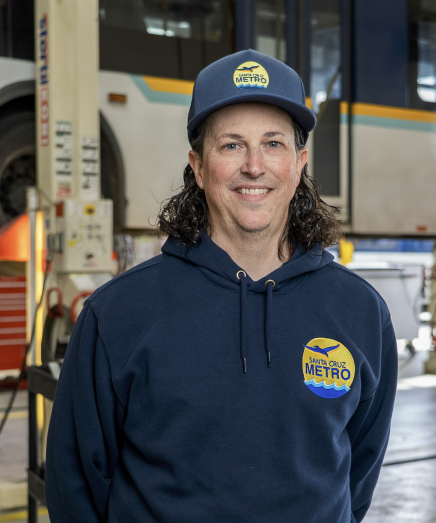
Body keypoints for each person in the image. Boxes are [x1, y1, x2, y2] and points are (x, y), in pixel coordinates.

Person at [46, 49, 397, 523]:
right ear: (197, 164)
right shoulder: (119, 315)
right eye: (231, 145)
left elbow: (357, 477)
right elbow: (75, 487)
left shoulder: (360, 312)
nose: (254, 166)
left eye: (273, 144)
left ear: (299, 162)